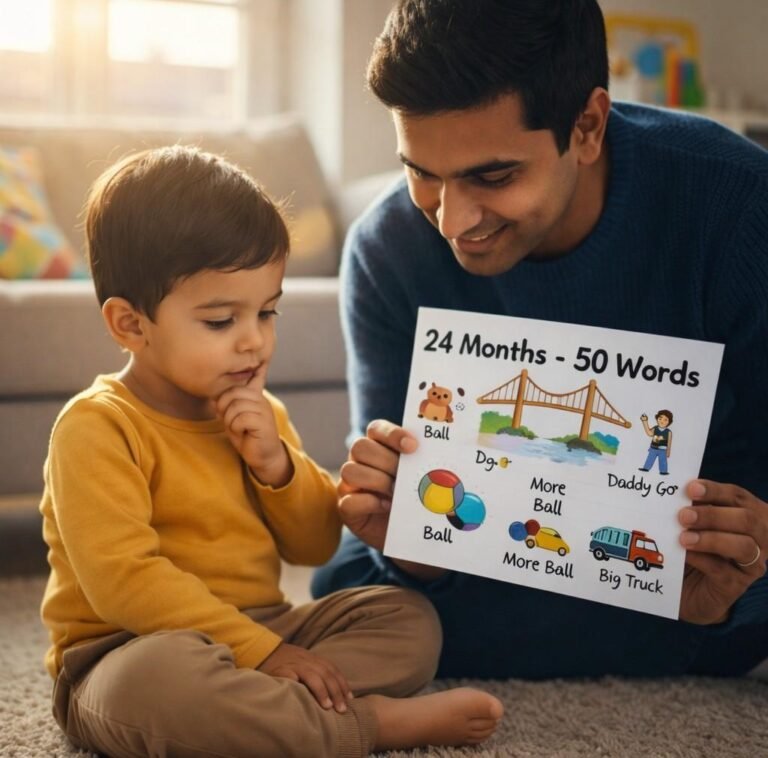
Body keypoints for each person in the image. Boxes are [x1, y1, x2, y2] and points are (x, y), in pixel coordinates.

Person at [312, 0, 768, 680]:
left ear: (586, 126)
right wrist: (408, 546)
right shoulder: (386, 250)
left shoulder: (738, 205)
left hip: (692, 571)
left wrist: (737, 572)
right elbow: (400, 529)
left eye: (493, 177)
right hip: (526, 566)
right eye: (423, 173)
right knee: (349, 580)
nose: (452, 221)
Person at [38, 146, 504, 758]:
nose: (254, 341)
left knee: (409, 621)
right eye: (220, 321)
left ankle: (261, 708)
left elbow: (312, 546)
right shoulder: (98, 427)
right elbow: (124, 584)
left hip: (263, 624)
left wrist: (276, 468)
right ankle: (365, 725)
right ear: (130, 324)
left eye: (266, 311)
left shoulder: (260, 411)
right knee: (157, 685)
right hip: (130, 648)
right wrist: (268, 654)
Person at [639, 410, 674, 474]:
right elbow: (649, 433)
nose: (662, 421)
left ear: (669, 422)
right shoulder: (655, 428)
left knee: (663, 461)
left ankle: (663, 471)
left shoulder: (668, 432)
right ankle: (646, 468)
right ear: (657, 419)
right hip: (653, 448)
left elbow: (669, 442)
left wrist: (668, 451)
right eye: (660, 418)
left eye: (665, 420)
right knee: (650, 458)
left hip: (663, 450)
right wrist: (645, 421)